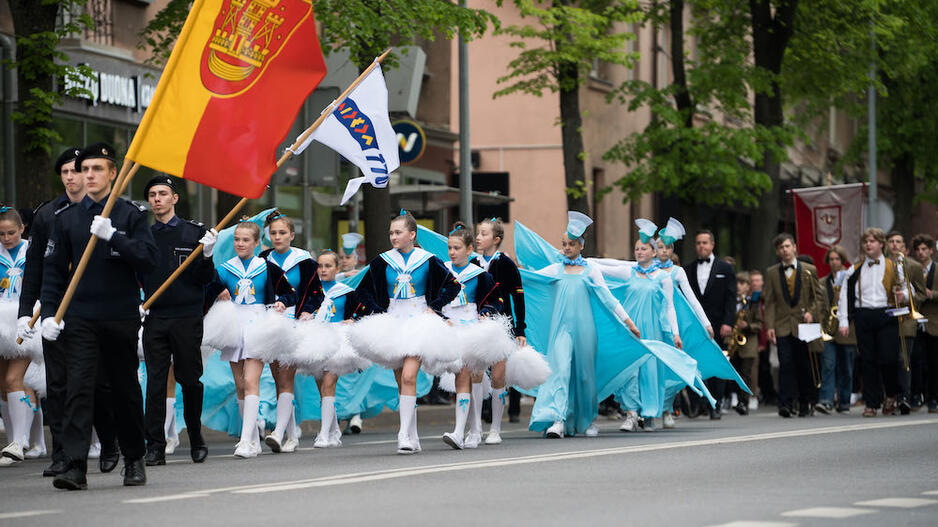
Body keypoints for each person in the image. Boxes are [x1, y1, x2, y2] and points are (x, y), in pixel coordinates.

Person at [39, 142, 158, 490]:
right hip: (80, 318)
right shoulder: (67, 219)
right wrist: (50, 314)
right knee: (78, 388)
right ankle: (75, 465)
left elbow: (149, 259)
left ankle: (134, 458)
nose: (88, 175)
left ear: (112, 173)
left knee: (124, 389)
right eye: (84, 170)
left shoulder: (130, 215)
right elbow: (53, 272)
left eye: (96, 169)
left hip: (119, 316)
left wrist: (114, 236)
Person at [524, 212, 642, 438]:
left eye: (571, 244)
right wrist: (501, 269)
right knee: (560, 370)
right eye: (564, 244)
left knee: (585, 376)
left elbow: (608, 298)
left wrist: (629, 322)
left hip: (586, 331)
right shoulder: (556, 269)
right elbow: (529, 277)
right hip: (561, 329)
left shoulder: (591, 269)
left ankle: (588, 421)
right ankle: (558, 420)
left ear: (581, 246)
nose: (566, 248)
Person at [352, 210, 460, 454]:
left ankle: (403, 435)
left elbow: (453, 286)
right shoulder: (382, 261)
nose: (393, 237)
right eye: (391, 233)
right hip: (392, 323)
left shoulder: (428, 260)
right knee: (401, 381)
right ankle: (412, 436)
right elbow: (362, 291)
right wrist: (378, 310)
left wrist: (434, 306)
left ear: (412, 234)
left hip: (419, 322)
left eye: (398, 232)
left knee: (410, 377)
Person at [139, 176, 216, 466]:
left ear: (175, 198)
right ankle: (155, 446)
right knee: (155, 383)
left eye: (163, 193)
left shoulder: (193, 233)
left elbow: (205, 279)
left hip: (186, 317)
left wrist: (206, 255)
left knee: (189, 380)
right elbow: (135, 273)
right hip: (155, 317)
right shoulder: (144, 236)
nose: (157, 199)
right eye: (152, 194)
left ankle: (195, 436)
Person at [206, 220, 299, 458]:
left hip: (258, 325)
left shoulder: (266, 267)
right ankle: (254, 439)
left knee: (250, 380)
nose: (240, 243)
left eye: (246, 240)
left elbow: (289, 293)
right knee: (240, 385)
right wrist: (218, 289)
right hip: (232, 325)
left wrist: (282, 302)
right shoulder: (225, 268)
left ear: (257, 243)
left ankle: (245, 441)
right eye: (237, 239)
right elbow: (207, 287)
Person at [259, 211, 322, 453]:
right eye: (273, 233)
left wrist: (307, 311)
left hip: (294, 322)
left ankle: (278, 432)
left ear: (292, 235)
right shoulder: (263, 258)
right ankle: (292, 434)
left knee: (286, 377)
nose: (277, 237)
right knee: (278, 379)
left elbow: (316, 293)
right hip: (270, 322)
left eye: (282, 233)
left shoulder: (304, 261)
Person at [441, 222, 504, 450]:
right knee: (462, 377)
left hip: (470, 327)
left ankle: (469, 431)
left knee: (468, 373)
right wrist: (440, 315)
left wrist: (486, 311)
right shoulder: (442, 271)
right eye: (449, 248)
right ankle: (472, 428)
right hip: (448, 327)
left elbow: (496, 299)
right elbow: (433, 298)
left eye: (457, 248)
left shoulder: (479, 275)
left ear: (469, 250)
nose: (452, 252)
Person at [301, 250, 370, 448]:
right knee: (321, 387)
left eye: (328, 266)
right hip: (316, 339)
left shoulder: (345, 291)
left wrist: (353, 320)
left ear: (337, 268)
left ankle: (323, 434)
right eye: (320, 266)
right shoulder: (311, 291)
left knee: (329, 383)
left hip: (337, 340)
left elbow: (362, 310)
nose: (323, 270)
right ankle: (334, 429)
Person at [837, 227, 906, 418]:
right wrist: (843, 321)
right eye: (866, 241)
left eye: (872, 241)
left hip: (887, 314)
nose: (868, 244)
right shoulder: (854, 269)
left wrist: (904, 295)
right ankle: (871, 403)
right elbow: (844, 295)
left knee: (889, 359)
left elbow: (908, 289)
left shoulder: (894, 266)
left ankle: (891, 394)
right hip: (864, 315)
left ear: (881, 244)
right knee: (868, 361)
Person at [472, 217, 526, 437]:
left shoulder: (505, 263)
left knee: (497, 376)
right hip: (476, 324)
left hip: (502, 324)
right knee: (476, 373)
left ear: (496, 239)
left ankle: (495, 427)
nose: (478, 237)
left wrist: (520, 329)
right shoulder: (472, 263)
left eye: (483, 234)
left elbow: (518, 297)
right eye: (477, 233)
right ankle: (475, 427)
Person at [763, 233, 823, 418]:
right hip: (782, 325)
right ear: (777, 251)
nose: (785, 250)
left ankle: (805, 402)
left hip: (803, 325)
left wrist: (811, 312)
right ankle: (786, 403)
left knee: (804, 364)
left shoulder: (809, 270)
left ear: (794, 248)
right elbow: (770, 302)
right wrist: (770, 326)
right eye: (781, 248)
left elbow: (818, 297)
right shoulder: (772, 272)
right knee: (785, 364)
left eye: (787, 246)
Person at [0, 206, 41, 464]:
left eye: (11, 233)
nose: (6, 238)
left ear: (22, 229)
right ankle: (13, 441)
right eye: (1, 234)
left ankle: (20, 441)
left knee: (14, 378)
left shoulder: (32, 251)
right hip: (0, 321)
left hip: (26, 319)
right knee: (4, 385)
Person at [684, 229, 736, 419]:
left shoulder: (725, 268)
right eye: (698, 243)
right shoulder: (687, 269)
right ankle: (698, 404)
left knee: (717, 363)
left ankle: (716, 404)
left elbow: (731, 298)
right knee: (694, 363)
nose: (701, 246)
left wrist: (728, 323)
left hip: (719, 324)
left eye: (705, 243)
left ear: (712, 245)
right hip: (694, 325)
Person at [886, 231, 925, 415]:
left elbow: (922, 293)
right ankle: (890, 396)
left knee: (903, 359)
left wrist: (909, 297)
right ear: (886, 245)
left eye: (898, 242)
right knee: (888, 360)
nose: (894, 244)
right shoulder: (883, 265)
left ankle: (904, 397)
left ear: (904, 247)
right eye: (891, 241)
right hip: (887, 317)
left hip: (907, 317)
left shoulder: (914, 266)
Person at [817, 245, 856, 414]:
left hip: (847, 329)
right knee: (828, 365)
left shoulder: (851, 278)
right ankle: (826, 400)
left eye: (837, 259)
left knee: (846, 368)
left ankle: (844, 402)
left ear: (842, 260)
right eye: (831, 259)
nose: (834, 262)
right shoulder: (822, 282)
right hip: (828, 329)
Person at [910, 234, 938, 413]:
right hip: (915, 322)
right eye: (918, 250)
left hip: (934, 322)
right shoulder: (912, 269)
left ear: (931, 251)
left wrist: (931, 294)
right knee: (916, 360)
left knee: (934, 362)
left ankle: (933, 398)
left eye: (924, 249)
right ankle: (916, 395)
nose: (921, 253)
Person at [727, 272, 762, 415]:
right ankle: (734, 396)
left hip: (749, 344)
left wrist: (747, 326)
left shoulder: (753, 303)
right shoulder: (730, 301)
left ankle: (744, 401)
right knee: (735, 372)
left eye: (742, 283)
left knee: (746, 373)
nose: (738, 286)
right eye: (737, 283)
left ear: (748, 286)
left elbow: (759, 324)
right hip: (733, 342)